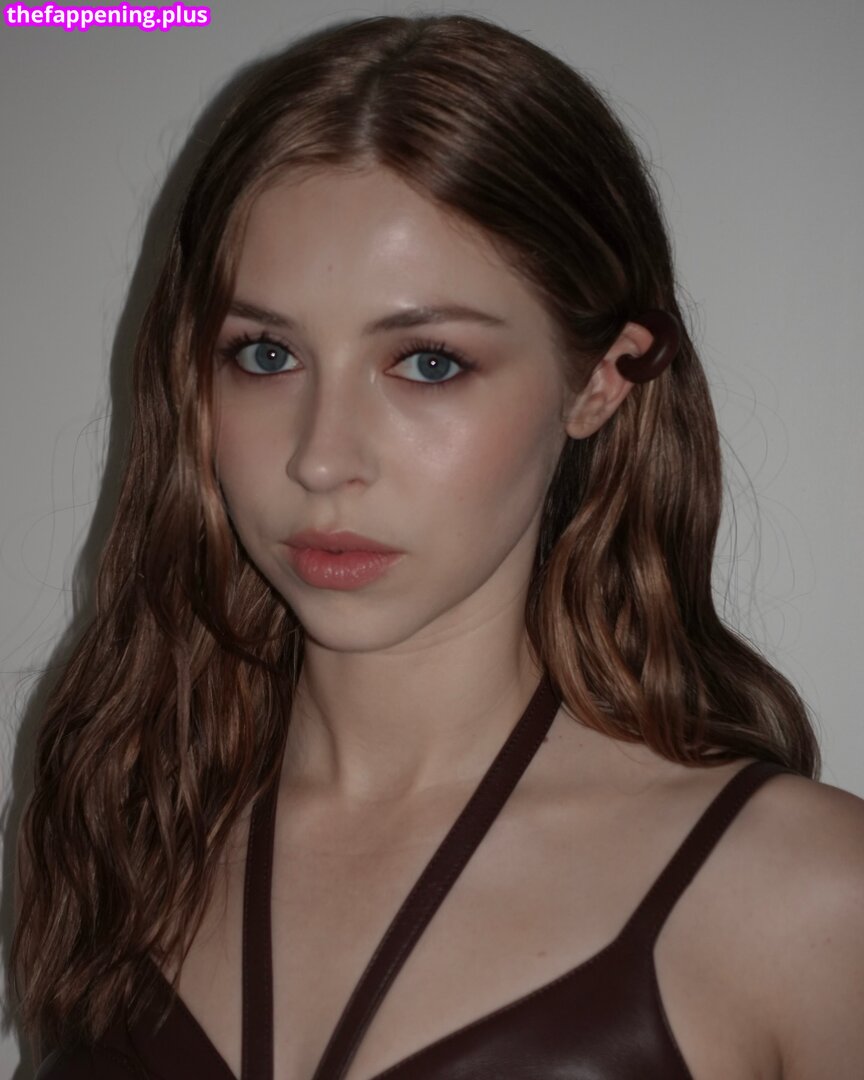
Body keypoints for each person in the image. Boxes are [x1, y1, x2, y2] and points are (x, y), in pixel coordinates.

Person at [11, 12, 864, 1080]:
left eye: (427, 363)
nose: (322, 459)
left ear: (601, 381)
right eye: (266, 354)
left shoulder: (807, 901)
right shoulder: (123, 834)